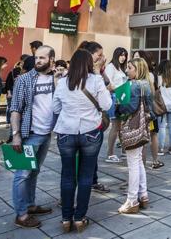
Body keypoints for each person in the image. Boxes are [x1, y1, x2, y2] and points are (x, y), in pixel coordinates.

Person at [52, 49, 112, 233]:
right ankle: (79, 218)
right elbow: (107, 105)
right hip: (90, 132)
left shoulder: (63, 82)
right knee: (85, 176)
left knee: (67, 176)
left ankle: (65, 219)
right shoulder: (95, 80)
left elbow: (55, 107)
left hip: (66, 132)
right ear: (88, 64)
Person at [9, 46, 57, 229]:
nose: (38, 61)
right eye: (37, 58)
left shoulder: (55, 79)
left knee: (34, 171)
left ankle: (30, 205)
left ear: (52, 60)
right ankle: (21, 215)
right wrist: (16, 135)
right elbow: (15, 109)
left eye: (42, 58)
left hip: (46, 134)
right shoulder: (24, 80)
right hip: (30, 134)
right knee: (22, 174)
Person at [116, 58, 152, 214]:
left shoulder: (134, 85)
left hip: (132, 127)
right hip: (143, 126)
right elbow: (149, 107)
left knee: (132, 164)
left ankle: (132, 200)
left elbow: (130, 107)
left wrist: (119, 104)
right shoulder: (147, 84)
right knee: (138, 161)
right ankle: (143, 195)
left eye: (130, 68)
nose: (127, 70)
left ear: (137, 69)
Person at [77, 41, 110, 194]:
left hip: (95, 123)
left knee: (92, 157)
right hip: (81, 125)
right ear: (89, 56)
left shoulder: (97, 73)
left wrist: (100, 70)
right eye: (99, 55)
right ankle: (73, 193)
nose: (102, 58)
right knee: (78, 161)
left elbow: (108, 85)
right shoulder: (79, 75)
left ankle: (92, 181)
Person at [133, 51, 163, 170]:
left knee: (148, 136)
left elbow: (149, 95)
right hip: (150, 111)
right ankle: (154, 161)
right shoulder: (153, 75)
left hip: (146, 111)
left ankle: (145, 165)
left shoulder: (147, 76)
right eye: (134, 57)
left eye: (137, 57)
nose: (134, 59)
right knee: (152, 134)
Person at [105, 47, 129, 163]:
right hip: (115, 98)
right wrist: (120, 90)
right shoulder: (111, 67)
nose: (123, 57)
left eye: (125, 55)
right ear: (116, 55)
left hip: (123, 98)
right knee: (115, 127)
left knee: (122, 127)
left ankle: (124, 151)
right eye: (121, 55)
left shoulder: (122, 68)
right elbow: (108, 84)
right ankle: (110, 154)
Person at [157, 60, 171, 155]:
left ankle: (161, 149)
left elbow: (158, 90)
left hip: (162, 105)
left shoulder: (160, 77)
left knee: (162, 127)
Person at [5, 59, 24, 143]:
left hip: (13, 93)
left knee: (13, 113)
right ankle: (13, 135)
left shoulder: (13, 72)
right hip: (15, 93)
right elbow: (8, 83)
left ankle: (12, 135)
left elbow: (8, 83)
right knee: (15, 113)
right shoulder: (16, 72)